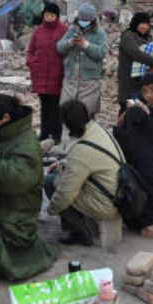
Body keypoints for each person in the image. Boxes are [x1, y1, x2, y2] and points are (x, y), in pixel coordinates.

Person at [0, 94, 57, 280]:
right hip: (2, 205)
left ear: (6, 118)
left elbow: (14, 180)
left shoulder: (27, 144)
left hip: (15, 216)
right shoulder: (5, 134)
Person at [45, 100, 120, 246]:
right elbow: (88, 161)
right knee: (59, 176)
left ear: (66, 125)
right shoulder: (96, 129)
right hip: (118, 191)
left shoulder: (81, 150)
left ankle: (78, 232)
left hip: (107, 204)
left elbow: (65, 193)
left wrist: (51, 209)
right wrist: (62, 164)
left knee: (51, 183)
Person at [26, 1, 67, 143]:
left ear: (57, 16)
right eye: (47, 15)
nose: (49, 17)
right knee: (44, 107)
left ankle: (56, 135)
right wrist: (32, 64)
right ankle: (44, 133)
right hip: (40, 75)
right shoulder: (38, 31)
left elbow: (66, 52)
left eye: (52, 15)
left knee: (55, 108)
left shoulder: (63, 31)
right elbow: (31, 50)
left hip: (57, 75)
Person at [57, 2, 108, 117]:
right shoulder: (72, 30)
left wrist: (86, 45)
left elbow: (102, 52)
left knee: (86, 113)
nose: (83, 22)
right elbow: (59, 47)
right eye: (82, 19)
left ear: (92, 19)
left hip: (89, 80)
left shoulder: (99, 33)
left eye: (86, 19)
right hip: (71, 78)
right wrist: (69, 43)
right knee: (68, 112)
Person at [117, 12, 153, 113]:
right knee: (126, 108)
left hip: (144, 80)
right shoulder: (128, 36)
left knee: (141, 109)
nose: (145, 27)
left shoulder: (148, 38)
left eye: (147, 24)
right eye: (142, 23)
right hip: (129, 80)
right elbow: (136, 54)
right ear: (136, 23)